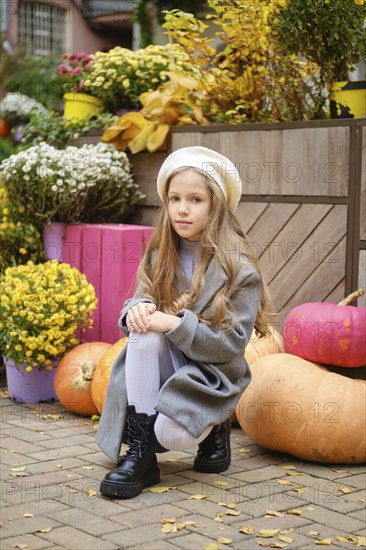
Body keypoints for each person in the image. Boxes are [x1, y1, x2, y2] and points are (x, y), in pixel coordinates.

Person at [96, 146, 272, 499]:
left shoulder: (240, 271)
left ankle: (216, 424)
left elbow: (230, 345)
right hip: (166, 365)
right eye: (175, 198)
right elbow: (141, 295)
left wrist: (173, 324)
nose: (182, 209)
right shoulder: (162, 252)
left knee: (172, 435)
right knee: (142, 333)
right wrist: (139, 309)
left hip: (209, 373)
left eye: (195, 199)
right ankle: (141, 456)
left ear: (215, 206)